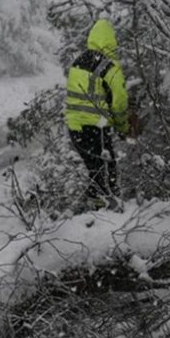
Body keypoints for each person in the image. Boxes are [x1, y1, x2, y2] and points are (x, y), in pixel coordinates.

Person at [64, 18, 129, 209]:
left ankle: (95, 209)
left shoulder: (78, 61)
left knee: (95, 170)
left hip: (75, 128)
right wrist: (122, 126)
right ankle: (108, 213)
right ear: (111, 42)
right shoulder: (108, 66)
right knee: (107, 172)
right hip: (96, 127)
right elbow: (119, 100)